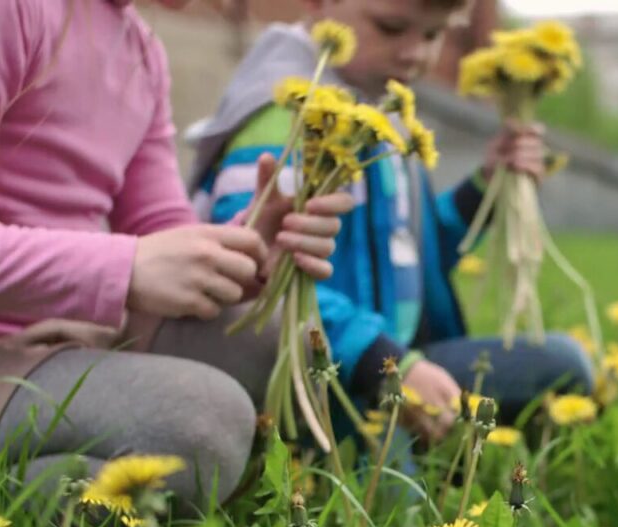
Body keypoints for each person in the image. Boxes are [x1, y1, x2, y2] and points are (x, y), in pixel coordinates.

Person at [0, 0, 353, 512]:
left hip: (33, 356)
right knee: (203, 420)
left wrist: (246, 248)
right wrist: (124, 268)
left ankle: (29, 492)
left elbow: (160, 237)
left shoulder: (140, 51)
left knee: (274, 340)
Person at [185, 0, 594, 442]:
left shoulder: (385, 113)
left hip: (387, 361)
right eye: (391, 27)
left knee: (563, 364)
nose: (415, 53)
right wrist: (384, 363)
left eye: (433, 34)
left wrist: (483, 190)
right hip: (318, 381)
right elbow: (257, 279)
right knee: (399, 476)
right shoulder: (285, 117)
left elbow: (407, 254)